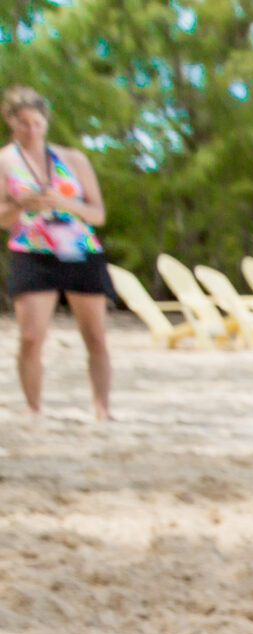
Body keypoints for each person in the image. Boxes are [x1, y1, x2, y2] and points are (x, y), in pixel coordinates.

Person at [2, 87, 111, 421]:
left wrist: (63, 202)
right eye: (23, 123)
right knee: (32, 337)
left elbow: (98, 215)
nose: (31, 130)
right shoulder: (4, 160)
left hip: (79, 249)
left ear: (46, 122)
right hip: (32, 251)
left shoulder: (73, 159)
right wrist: (22, 203)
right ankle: (33, 408)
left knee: (95, 336)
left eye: (37, 122)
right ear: (10, 122)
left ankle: (102, 409)